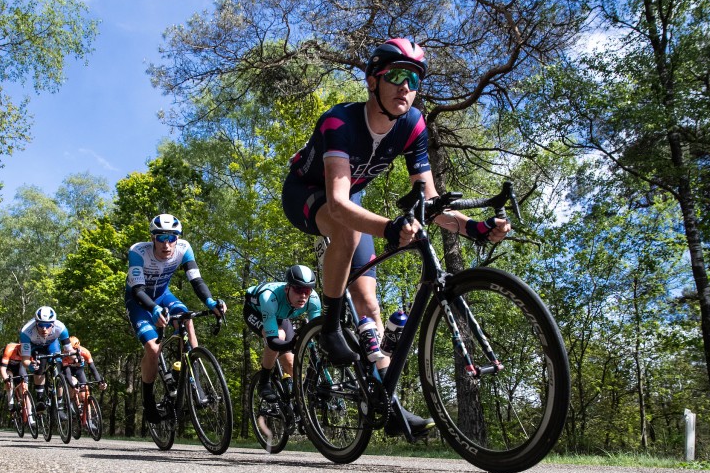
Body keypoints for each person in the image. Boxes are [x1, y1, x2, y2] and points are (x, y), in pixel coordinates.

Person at [281, 37, 511, 438]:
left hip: (349, 200)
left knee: (370, 304)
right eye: (397, 76)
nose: (407, 87)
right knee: (347, 226)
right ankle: (332, 326)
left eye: (415, 79)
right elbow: (336, 203)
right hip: (305, 193)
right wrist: (388, 227)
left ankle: (388, 405)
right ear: (373, 81)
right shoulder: (340, 122)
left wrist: (475, 228)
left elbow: (431, 201)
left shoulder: (413, 124)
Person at [125, 214, 226, 424]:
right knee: (153, 349)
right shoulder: (138, 252)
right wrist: (153, 310)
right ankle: (149, 400)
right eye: (161, 237)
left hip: (164, 296)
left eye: (172, 238)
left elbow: (196, 280)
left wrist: (210, 302)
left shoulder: (184, 248)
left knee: (187, 319)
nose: (167, 244)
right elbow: (137, 289)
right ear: (152, 238)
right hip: (139, 302)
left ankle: (193, 378)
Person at [243, 264, 321, 403]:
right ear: (287, 288)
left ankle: (298, 404)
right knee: (279, 337)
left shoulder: (313, 300)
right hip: (256, 312)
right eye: (298, 289)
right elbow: (273, 341)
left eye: (307, 291)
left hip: (281, 315)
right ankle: (264, 382)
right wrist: (292, 344)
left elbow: (317, 332)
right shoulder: (269, 297)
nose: (303, 295)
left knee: (291, 365)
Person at [19, 306, 72, 428]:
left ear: (53, 324)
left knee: (58, 369)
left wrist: (77, 358)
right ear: (35, 322)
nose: (44, 328)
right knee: (40, 365)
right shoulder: (26, 331)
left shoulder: (61, 328)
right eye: (41, 325)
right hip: (35, 348)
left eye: (48, 325)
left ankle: (60, 405)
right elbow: (25, 360)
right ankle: (40, 399)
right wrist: (31, 364)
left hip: (52, 345)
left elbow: (69, 350)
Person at [62, 336, 107, 409]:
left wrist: (100, 383)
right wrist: (73, 386)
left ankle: (88, 418)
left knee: (84, 395)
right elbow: (67, 374)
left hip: (79, 371)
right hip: (69, 370)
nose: (73, 351)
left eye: (75, 349)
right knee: (73, 382)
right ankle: (70, 402)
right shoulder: (64, 354)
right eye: (71, 349)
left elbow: (93, 369)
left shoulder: (85, 352)